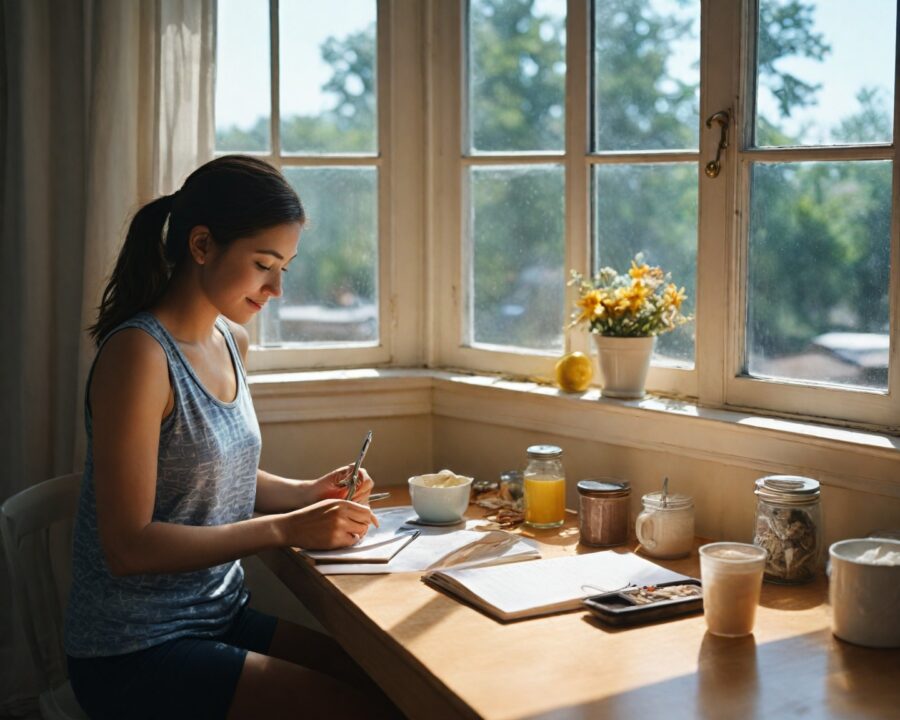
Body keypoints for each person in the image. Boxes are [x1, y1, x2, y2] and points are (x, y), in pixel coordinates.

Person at [64, 155, 400, 719]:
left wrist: (306, 491)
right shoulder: (139, 355)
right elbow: (127, 546)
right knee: (355, 709)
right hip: (133, 649)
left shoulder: (231, 340)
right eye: (263, 264)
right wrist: (282, 528)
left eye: (285, 268)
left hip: (219, 616)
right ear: (201, 246)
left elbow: (216, 469)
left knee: (386, 682)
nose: (275, 289)